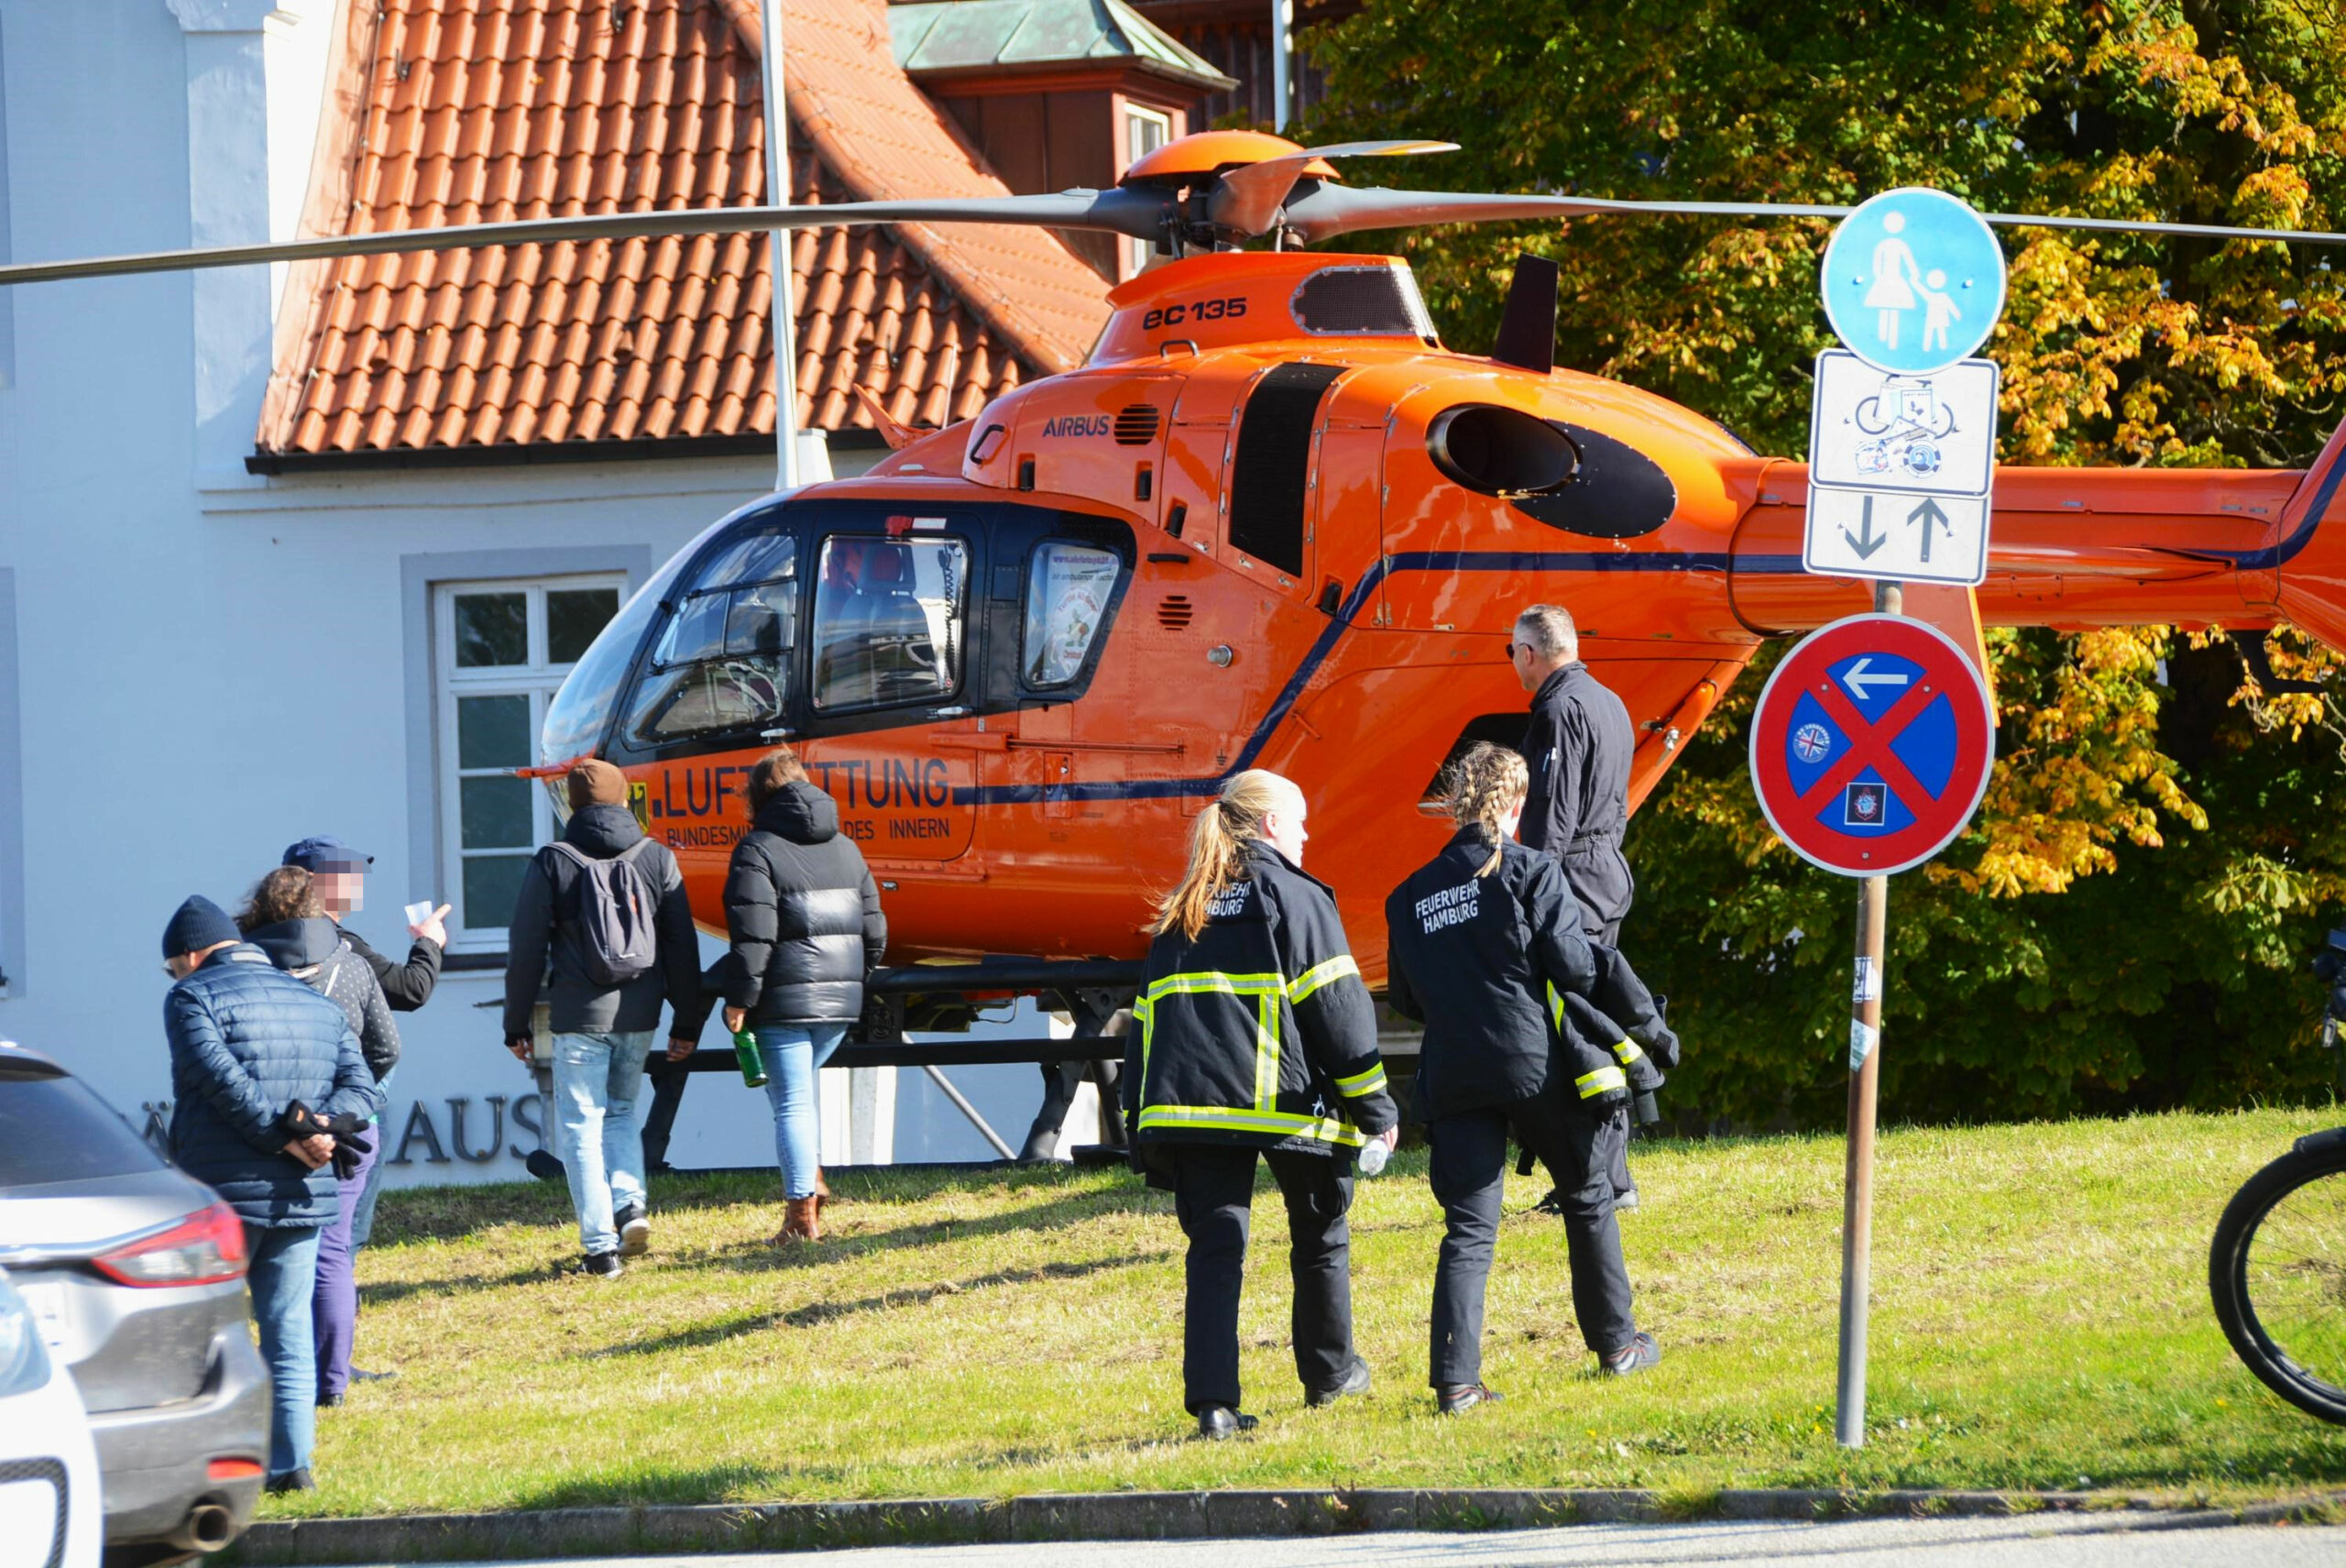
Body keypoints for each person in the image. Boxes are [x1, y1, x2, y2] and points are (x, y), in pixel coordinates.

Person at [1386, 746, 1672, 1412]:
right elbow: (1572, 966)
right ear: (1517, 805)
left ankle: (1457, 1384)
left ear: (1456, 803)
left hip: (1454, 1070)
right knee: (1587, 1196)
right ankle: (1618, 1344)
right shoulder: (1530, 869)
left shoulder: (1409, 895)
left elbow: (1404, 996)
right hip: (1533, 1061)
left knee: (1468, 1228)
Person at [1124, 770, 1399, 1439]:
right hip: (1284, 1103)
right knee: (1321, 1235)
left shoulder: (1182, 906)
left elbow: (1143, 1024)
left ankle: (1215, 1407)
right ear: (1273, 824)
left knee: (1216, 1250)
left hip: (1193, 1113)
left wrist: (1141, 1124)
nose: (1306, 834)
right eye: (1300, 820)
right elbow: (1338, 1013)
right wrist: (1377, 1109)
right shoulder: (1294, 896)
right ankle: (1331, 1375)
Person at [160, 894, 378, 1493]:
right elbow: (364, 1085)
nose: (173, 974)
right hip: (301, 1194)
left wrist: (296, 1136)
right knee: (287, 1328)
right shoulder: (311, 999)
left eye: (171, 964)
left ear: (190, 954)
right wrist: (323, 1131)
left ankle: (217, 1465)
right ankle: (292, 1465)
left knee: (210, 1330)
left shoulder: (190, 997)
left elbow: (219, 1083)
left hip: (224, 1194)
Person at [502, 761, 705, 1277]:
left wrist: (517, 1022)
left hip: (579, 1017)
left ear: (571, 802)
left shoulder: (554, 860)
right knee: (619, 1113)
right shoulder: (656, 856)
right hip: (641, 1012)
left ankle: (599, 1248)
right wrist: (687, 1022)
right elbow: (682, 945)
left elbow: (526, 947)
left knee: (580, 1127)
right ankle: (631, 1206)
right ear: (624, 798)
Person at [237, 868, 400, 1411]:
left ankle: (283, 1373)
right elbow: (386, 1049)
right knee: (333, 1251)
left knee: (273, 1252)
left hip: (270, 1131)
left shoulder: (244, 970)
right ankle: (331, 1382)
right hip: (348, 1132)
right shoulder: (350, 965)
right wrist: (347, 1110)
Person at [283, 833, 449, 1354]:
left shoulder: (260, 945)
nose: (357, 884)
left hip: (285, 1113)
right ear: (318, 883)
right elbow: (409, 994)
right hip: (346, 1114)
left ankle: (309, 1357)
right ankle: (333, 1362)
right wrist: (430, 943)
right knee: (340, 1239)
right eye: (347, 874)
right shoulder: (342, 946)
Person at [719, 747, 885, 1245]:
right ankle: (811, 1181)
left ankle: (800, 1217)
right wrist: (854, 978)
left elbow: (755, 934)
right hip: (839, 1002)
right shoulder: (847, 847)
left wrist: (739, 999)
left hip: (782, 1000)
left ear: (756, 797)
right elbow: (875, 929)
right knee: (800, 1097)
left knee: (791, 1103)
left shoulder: (757, 848)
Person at [1510, 603, 1645, 1212]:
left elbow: (1551, 817)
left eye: (1512, 653)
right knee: (1598, 1024)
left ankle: (1599, 1180)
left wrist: (1526, 889)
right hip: (1606, 871)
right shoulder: (1609, 700)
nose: (1513, 665)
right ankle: (1606, 1176)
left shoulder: (1558, 711)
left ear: (1530, 653)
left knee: (1575, 1036)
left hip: (1573, 885)